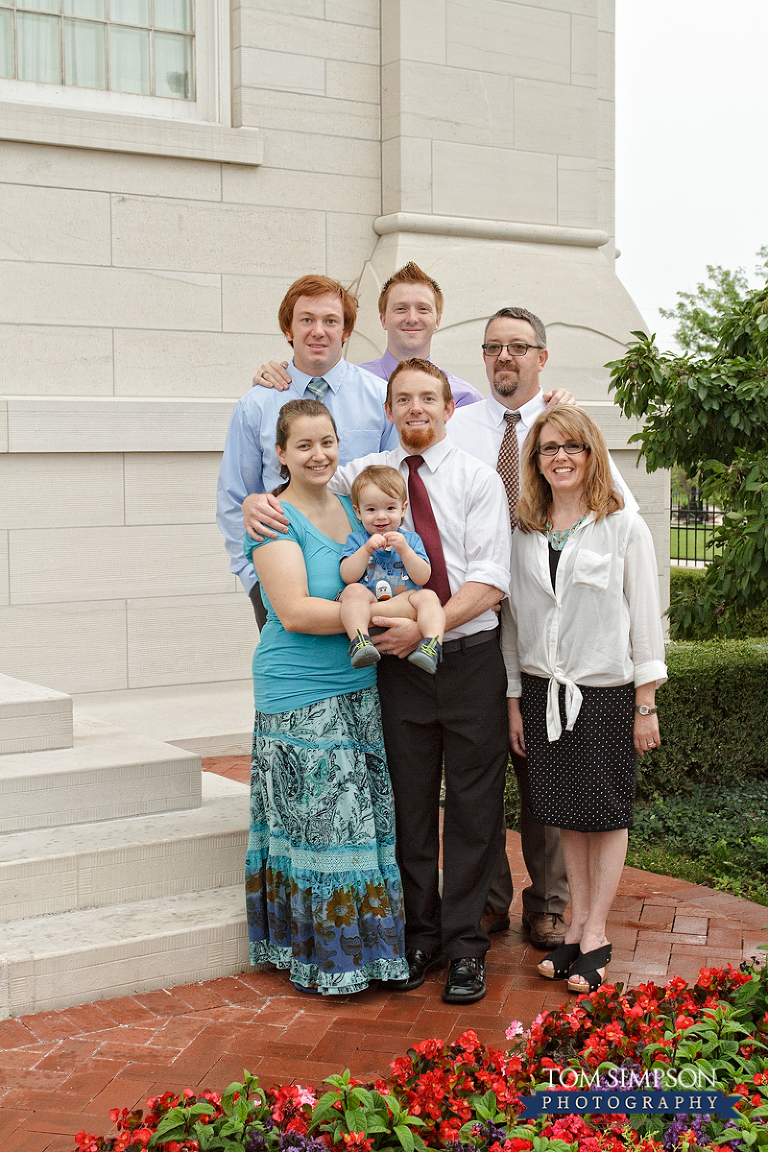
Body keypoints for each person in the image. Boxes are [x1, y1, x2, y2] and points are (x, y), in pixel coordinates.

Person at [240, 359, 510, 1004]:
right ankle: (419, 938)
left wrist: (428, 626)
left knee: (474, 809)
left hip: (464, 656)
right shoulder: (363, 474)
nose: (416, 408)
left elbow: (490, 580)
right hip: (394, 666)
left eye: (429, 398)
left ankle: (466, 946)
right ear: (388, 410)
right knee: (408, 807)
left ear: (450, 408)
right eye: (403, 398)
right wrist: (254, 499)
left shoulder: (477, 479)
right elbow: (299, 479)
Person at [448, 306, 639, 951]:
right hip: (481, 618)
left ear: (541, 357)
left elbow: (623, 528)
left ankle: (554, 906)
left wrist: (646, 690)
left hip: (559, 626)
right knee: (490, 768)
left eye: (519, 347)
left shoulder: (565, 422)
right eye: (494, 347)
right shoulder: (462, 424)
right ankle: (490, 900)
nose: (506, 357)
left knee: (553, 784)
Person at [243, 397, 409, 996]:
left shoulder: (352, 505)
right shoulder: (272, 518)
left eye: (327, 441)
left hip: (359, 684)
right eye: (304, 445)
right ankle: (325, 961)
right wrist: (391, 611)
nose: (318, 454)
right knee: (325, 830)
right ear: (281, 453)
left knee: (361, 826)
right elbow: (294, 611)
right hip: (299, 692)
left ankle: (373, 957)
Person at [501, 404, 666, 993]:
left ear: (592, 454)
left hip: (604, 693)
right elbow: (515, 624)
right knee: (569, 813)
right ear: (536, 460)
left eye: (572, 446)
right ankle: (573, 926)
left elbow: (645, 618)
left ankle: (596, 930)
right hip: (544, 691)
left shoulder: (622, 525)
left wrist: (645, 702)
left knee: (607, 814)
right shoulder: (525, 530)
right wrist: (516, 698)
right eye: (549, 448)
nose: (561, 457)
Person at [217, 274, 397, 628]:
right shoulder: (256, 405)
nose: (319, 330)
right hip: (284, 583)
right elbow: (235, 496)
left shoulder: (380, 398)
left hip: (370, 578)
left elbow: (398, 484)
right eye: (307, 319)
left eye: (331, 321)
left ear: (346, 331)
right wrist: (255, 581)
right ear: (289, 329)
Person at [253, 262, 483, 407]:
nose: (412, 318)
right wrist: (270, 377)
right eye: (400, 308)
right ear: (383, 319)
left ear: (438, 320)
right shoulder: (344, 382)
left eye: (423, 309)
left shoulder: (465, 398)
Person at [339, 464, 446, 675]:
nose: (381, 516)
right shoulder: (357, 540)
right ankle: (360, 642)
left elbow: (423, 576)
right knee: (352, 592)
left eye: (390, 508)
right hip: (370, 604)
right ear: (358, 512)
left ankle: (432, 644)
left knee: (428, 597)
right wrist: (366, 550)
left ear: (403, 509)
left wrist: (405, 550)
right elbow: (348, 576)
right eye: (371, 509)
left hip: (406, 602)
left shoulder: (410, 540)